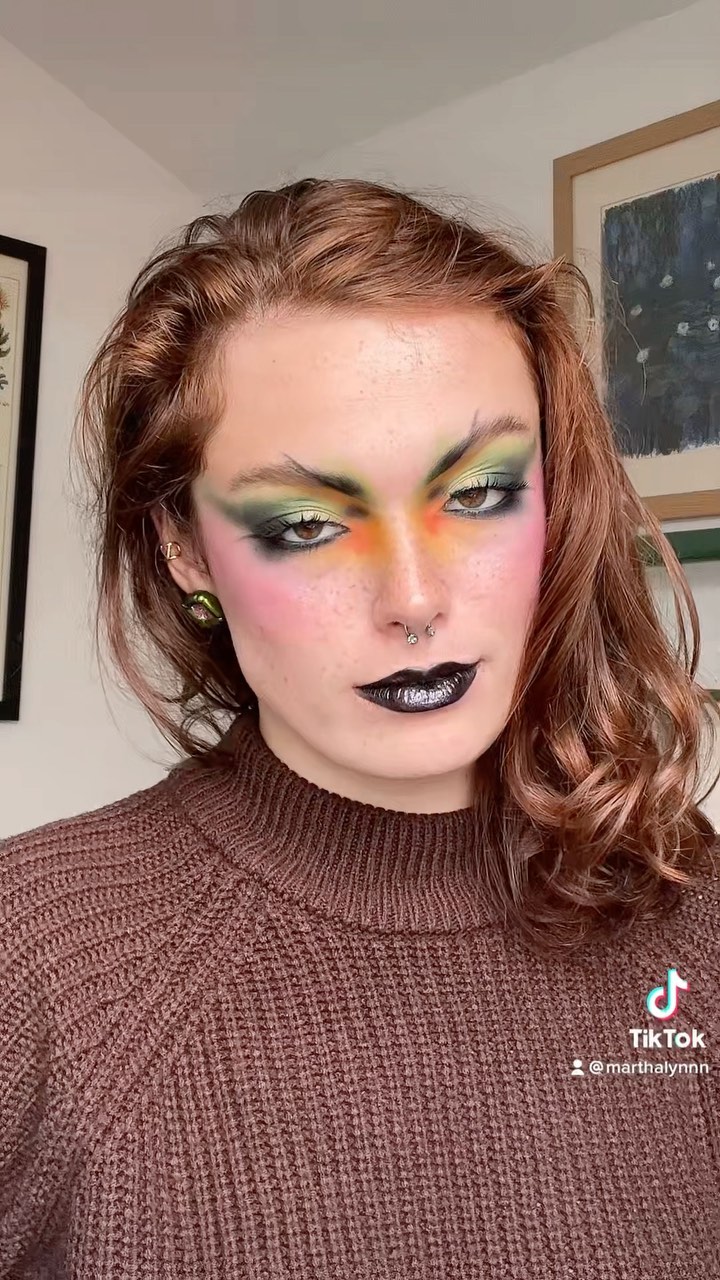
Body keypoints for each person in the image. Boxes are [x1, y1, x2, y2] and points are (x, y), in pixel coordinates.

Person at [1, 176, 718, 1278]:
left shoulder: (693, 919)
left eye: (477, 493)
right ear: (184, 548)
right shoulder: (37, 960)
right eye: (305, 523)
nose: (415, 599)